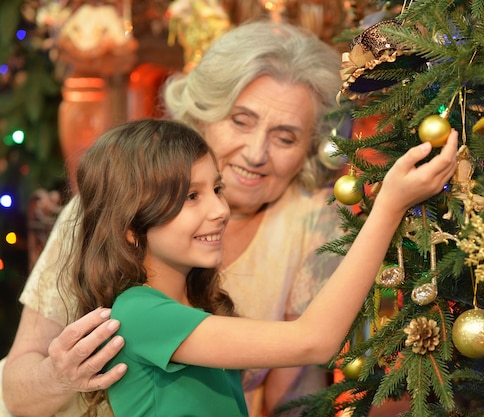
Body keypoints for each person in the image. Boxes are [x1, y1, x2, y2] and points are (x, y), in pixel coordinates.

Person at [2, 20, 343, 417]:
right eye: (240, 121)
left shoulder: (310, 223)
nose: (255, 153)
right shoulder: (109, 210)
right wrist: (58, 376)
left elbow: (295, 396)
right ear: (202, 116)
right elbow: (17, 394)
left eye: (285, 138)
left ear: (310, 149)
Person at [77, 117, 457, 417]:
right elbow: (314, 341)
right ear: (131, 229)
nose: (219, 210)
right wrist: (389, 206)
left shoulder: (186, 308)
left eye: (217, 189)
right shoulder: (138, 313)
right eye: (192, 196)